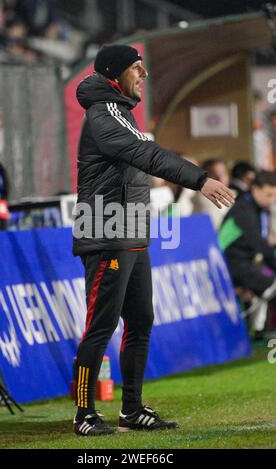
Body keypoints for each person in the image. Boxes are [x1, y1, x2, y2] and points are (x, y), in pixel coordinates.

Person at [72, 44, 235, 436]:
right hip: (106, 234)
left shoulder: (120, 112)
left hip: (130, 233)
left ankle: (131, 409)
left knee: (141, 320)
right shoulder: (105, 113)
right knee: (101, 324)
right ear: (116, 74)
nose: (143, 75)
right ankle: (83, 413)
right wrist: (200, 178)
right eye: (137, 68)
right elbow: (148, 155)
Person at [219, 171, 276, 334]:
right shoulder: (243, 210)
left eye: (275, 196)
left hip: (247, 262)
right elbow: (260, 246)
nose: (272, 200)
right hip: (231, 264)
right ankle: (261, 332)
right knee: (271, 288)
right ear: (255, 189)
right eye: (269, 195)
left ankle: (261, 330)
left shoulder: (258, 208)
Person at [193, 158, 231, 230]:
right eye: (214, 175)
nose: (220, 179)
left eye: (223, 173)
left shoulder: (236, 196)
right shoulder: (201, 199)